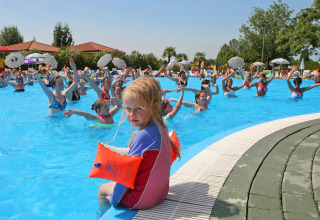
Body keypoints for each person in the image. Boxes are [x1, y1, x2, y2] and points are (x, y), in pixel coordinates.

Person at [97, 76, 180, 210]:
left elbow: (126, 177)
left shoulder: (142, 136)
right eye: (128, 108)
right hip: (160, 193)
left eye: (138, 109)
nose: (131, 114)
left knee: (102, 190)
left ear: (155, 106)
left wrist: (114, 199)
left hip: (141, 199)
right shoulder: (160, 127)